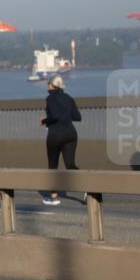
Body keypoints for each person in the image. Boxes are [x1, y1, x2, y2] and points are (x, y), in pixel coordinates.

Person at [39, 74, 82, 206]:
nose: (47, 85)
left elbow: (55, 116)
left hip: (56, 134)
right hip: (70, 134)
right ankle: (88, 186)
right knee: (70, 164)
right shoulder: (69, 98)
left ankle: (53, 197)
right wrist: (66, 115)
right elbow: (77, 117)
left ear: (52, 85)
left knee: (53, 165)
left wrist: (44, 120)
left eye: (48, 83)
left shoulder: (50, 98)